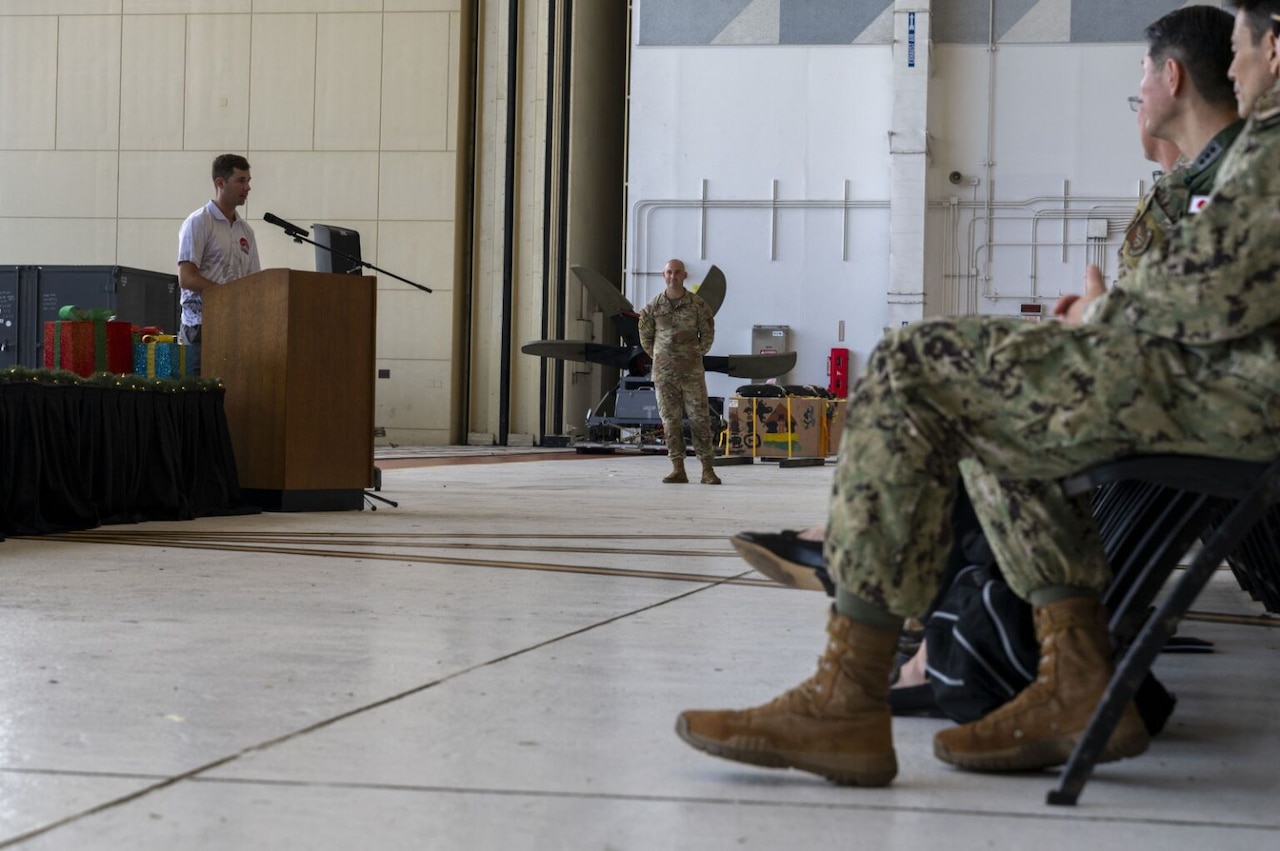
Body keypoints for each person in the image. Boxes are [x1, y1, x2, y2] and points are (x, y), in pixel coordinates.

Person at [675, 1, 1280, 787]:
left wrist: (1105, 312)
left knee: (910, 363)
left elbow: (1216, 296)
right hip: (1223, 385)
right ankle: (1073, 676)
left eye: (1241, 50)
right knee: (983, 419)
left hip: (1232, 394)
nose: (1232, 71)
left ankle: (846, 695)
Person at [177, 154, 261, 376]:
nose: (248, 187)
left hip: (236, 329)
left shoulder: (246, 232)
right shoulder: (199, 222)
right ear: (220, 183)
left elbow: (254, 282)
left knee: (231, 398)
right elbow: (186, 277)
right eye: (241, 180)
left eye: (249, 181)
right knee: (197, 401)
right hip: (201, 330)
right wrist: (227, 294)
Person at [638, 259, 721, 485]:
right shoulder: (653, 307)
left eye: (677, 273)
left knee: (699, 419)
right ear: (663, 276)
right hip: (664, 375)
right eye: (668, 272)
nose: (672, 276)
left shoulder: (697, 305)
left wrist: (694, 354)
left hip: (691, 373)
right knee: (670, 422)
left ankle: (707, 470)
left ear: (684, 276)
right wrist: (661, 357)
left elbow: (708, 332)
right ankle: (678, 468)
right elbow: (645, 337)